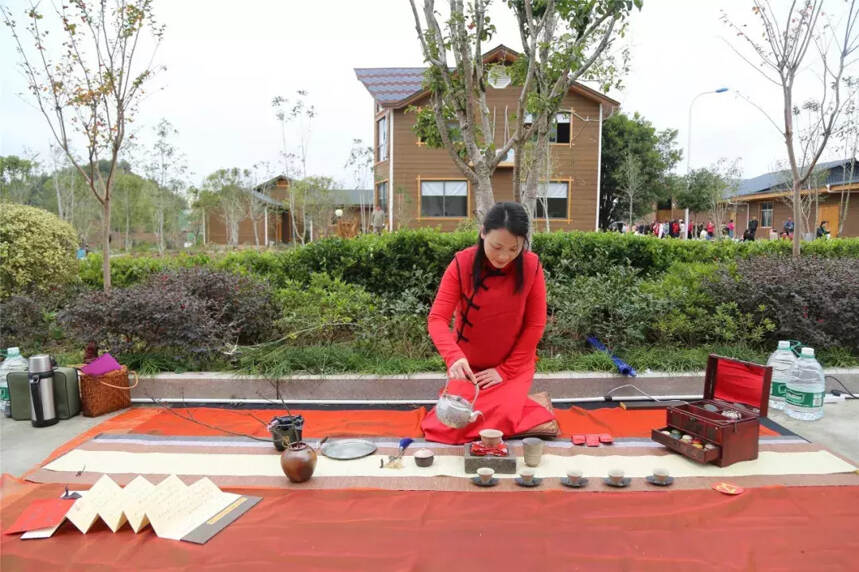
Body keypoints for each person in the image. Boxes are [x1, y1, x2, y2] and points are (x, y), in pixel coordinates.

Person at [421, 202, 556, 444]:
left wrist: (504, 371)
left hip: (513, 368)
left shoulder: (531, 266)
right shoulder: (461, 264)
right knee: (451, 424)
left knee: (498, 418)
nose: (504, 256)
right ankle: (520, 406)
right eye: (497, 246)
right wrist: (454, 357)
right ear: (483, 232)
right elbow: (437, 319)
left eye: (514, 249)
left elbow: (535, 325)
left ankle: (515, 403)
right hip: (470, 369)